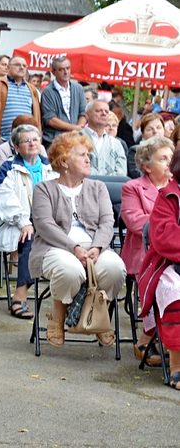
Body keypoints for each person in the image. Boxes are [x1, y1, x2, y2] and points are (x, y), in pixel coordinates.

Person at [28, 132, 126, 347]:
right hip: (55, 248)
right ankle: (57, 316)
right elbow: (44, 225)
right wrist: (73, 247)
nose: (88, 159)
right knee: (69, 270)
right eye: (81, 155)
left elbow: (107, 222)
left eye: (88, 154)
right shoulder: (44, 189)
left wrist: (98, 247)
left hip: (95, 248)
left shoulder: (97, 187)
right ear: (64, 161)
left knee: (115, 268)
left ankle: (99, 318)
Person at [0, 124, 57, 319]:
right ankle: (20, 296)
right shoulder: (8, 168)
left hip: (47, 223)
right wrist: (23, 222)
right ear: (17, 147)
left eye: (35, 139)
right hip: (14, 224)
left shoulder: (51, 167)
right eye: (26, 141)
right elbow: (5, 200)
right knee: (31, 239)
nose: (32, 143)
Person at [120, 137, 173, 366]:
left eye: (172, 158)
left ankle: (161, 340)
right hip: (145, 256)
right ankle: (148, 340)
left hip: (173, 253)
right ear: (146, 166)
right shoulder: (133, 188)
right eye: (163, 159)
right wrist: (167, 222)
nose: (170, 163)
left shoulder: (177, 190)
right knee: (165, 280)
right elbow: (135, 222)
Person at [138, 144, 180, 389]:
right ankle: (177, 366)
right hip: (167, 265)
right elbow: (165, 239)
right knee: (175, 292)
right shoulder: (168, 195)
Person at [0, 55, 41, 155]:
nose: (21, 67)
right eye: (17, 65)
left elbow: (37, 118)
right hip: (3, 142)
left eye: (24, 66)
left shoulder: (32, 89)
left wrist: (37, 139)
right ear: (8, 67)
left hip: (27, 144)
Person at [40, 56, 87, 147]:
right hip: (54, 140)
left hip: (75, 139)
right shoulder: (47, 92)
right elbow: (50, 119)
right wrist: (75, 128)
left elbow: (84, 112)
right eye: (61, 69)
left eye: (67, 68)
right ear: (54, 72)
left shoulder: (78, 88)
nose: (65, 72)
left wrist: (79, 127)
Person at [81, 100, 127, 177]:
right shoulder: (76, 138)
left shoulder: (116, 144)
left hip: (111, 188)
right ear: (87, 115)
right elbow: (77, 168)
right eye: (99, 111)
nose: (104, 113)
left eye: (106, 111)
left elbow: (121, 173)